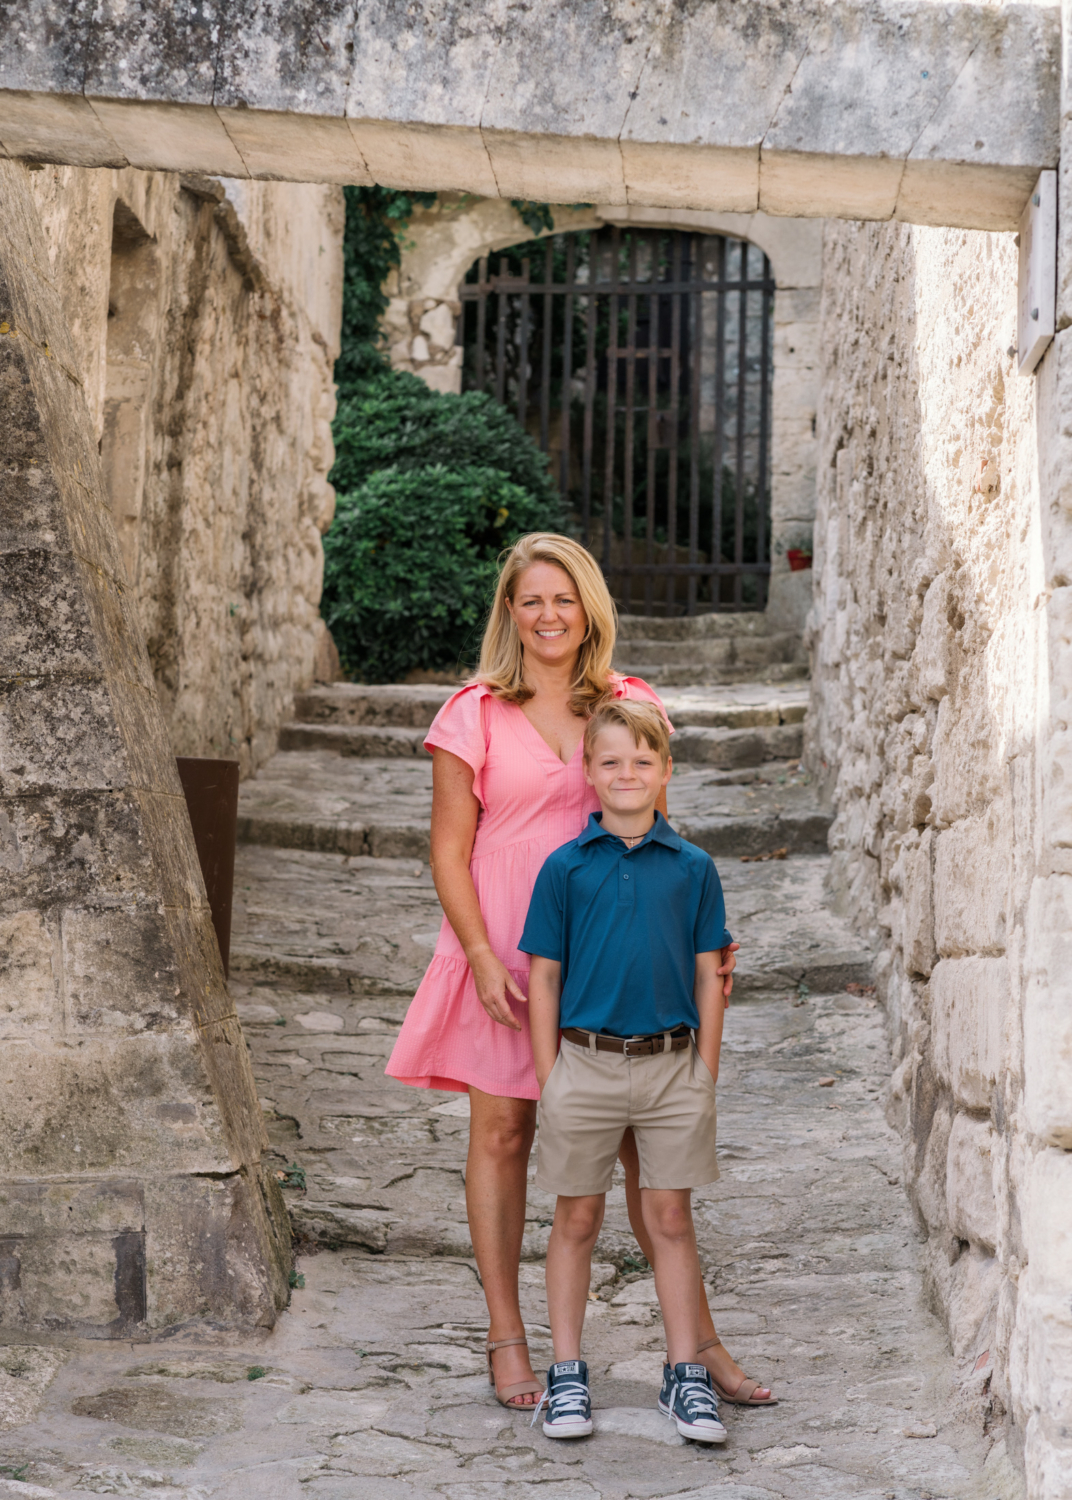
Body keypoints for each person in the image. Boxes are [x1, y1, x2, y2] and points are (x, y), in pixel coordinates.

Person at [385, 534, 766, 1409]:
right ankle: (507, 1339)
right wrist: (482, 953)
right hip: (505, 957)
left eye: (564, 598)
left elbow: (666, 842)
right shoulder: (471, 712)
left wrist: (701, 951)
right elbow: (448, 849)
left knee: (644, 1154)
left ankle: (700, 1344)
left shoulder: (630, 704)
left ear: (589, 607)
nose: (548, 615)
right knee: (504, 1135)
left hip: (613, 958)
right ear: (509, 613)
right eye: (531, 600)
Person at [523, 700, 728, 1442]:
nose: (627, 774)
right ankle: (568, 1375)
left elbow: (711, 974)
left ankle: (685, 1375)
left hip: (674, 1067)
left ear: (665, 772)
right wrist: (551, 1075)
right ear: (588, 773)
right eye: (610, 761)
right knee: (576, 1217)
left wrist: (705, 1066)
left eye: (643, 761)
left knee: (671, 1217)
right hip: (585, 1063)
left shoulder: (695, 868)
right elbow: (542, 977)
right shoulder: (564, 869)